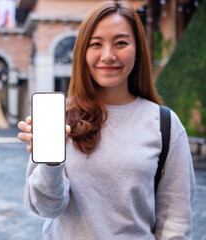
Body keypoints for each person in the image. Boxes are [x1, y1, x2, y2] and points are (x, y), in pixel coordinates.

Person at [17, 1, 195, 239]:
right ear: (83, 52)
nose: (108, 55)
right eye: (96, 44)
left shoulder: (165, 124)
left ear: (138, 49)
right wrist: (50, 164)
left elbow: (175, 220)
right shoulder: (62, 120)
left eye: (121, 43)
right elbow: (46, 208)